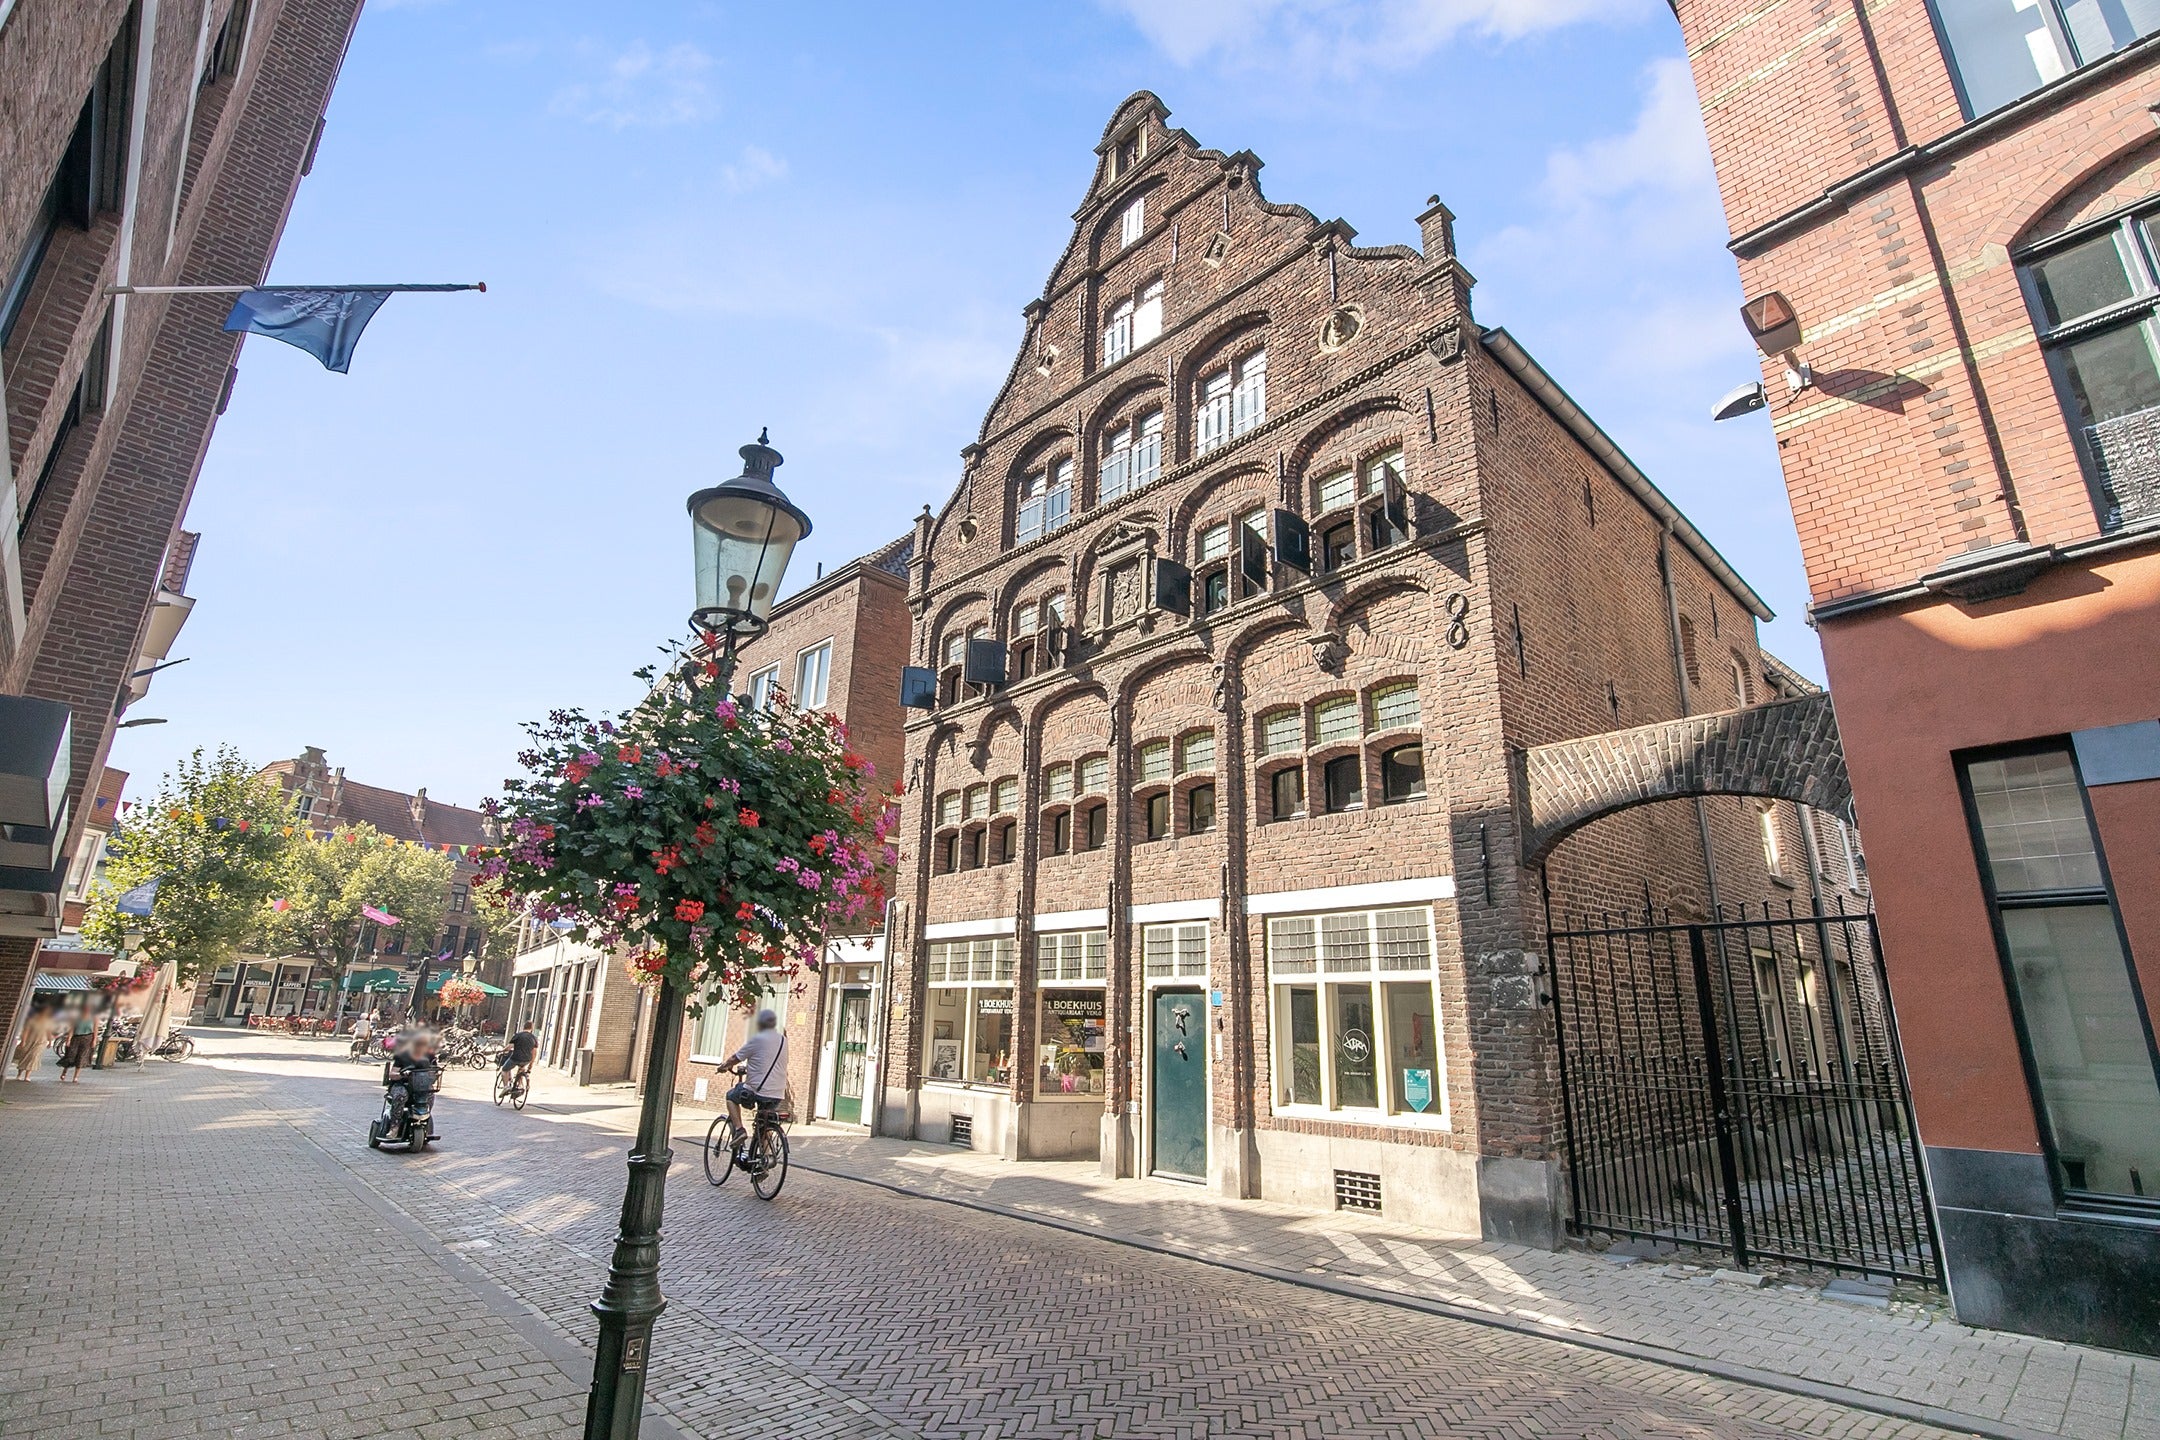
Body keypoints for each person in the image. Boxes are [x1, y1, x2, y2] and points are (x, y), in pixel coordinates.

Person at [719, 1009, 788, 1155]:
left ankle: (739, 1130)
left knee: (731, 1096)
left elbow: (735, 1058)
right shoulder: (783, 1040)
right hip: (777, 1092)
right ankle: (763, 1159)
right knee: (765, 1123)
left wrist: (724, 1067)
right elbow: (767, 1059)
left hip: (757, 1090)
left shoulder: (757, 1039)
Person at [385, 1030, 442, 1141]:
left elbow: (435, 1070)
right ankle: (394, 1126)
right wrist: (401, 1075)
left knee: (430, 1094)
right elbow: (392, 1073)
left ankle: (425, 1121)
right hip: (403, 1084)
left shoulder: (429, 1055)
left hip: (421, 1085)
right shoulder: (402, 1054)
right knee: (401, 1095)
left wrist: (434, 1074)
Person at [10, 1002, 57, 1080]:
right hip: (30, 1040)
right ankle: (19, 1073)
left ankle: (27, 1076)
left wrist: (49, 1041)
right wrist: (23, 1041)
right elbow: (26, 1030)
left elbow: (49, 1031)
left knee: (33, 1057)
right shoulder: (32, 1019)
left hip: (41, 1041)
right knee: (25, 1056)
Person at [57, 1004, 98, 1083]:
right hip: (76, 1037)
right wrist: (68, 1039)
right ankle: (64, 1072)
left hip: (87, 1038)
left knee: (81, 1057)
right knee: (70, 1055)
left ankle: (76, 1077)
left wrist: (94, 1040)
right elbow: (72, 1028)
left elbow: (95, 1029)